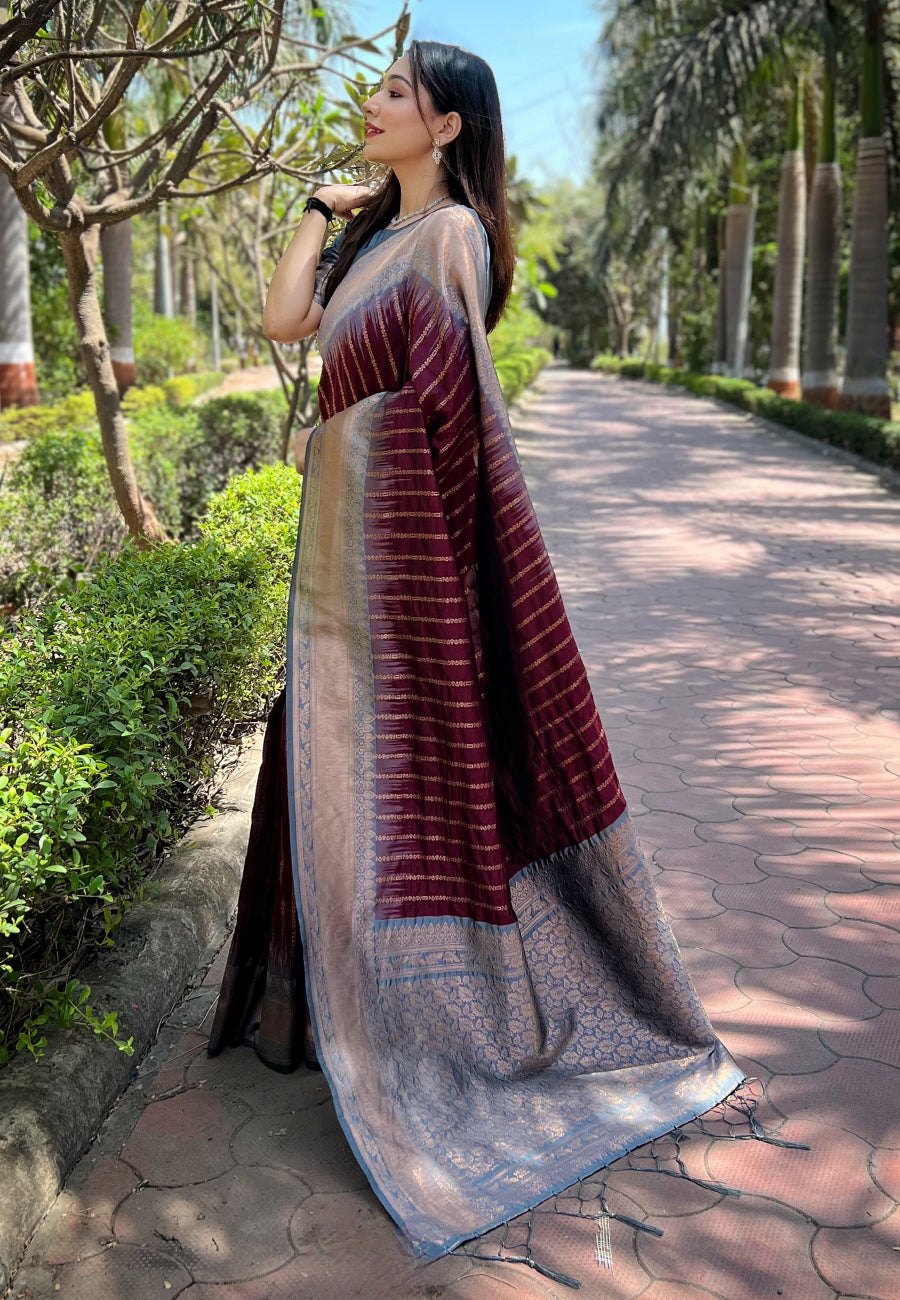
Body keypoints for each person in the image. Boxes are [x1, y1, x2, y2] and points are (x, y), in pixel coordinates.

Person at [208, 39, 746, 1262]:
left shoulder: (450, 239)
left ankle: (415, 1033)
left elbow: (449, 412)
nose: (373, 102)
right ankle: (355, 1013)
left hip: (394, 580)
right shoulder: (378, 242)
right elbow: (285, 319)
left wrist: (407, 530)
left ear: (447, 127)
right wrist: (313, 209)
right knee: (322, 770)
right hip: (343, 577)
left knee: (386, 796)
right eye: (380, 86)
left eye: (397, 92)